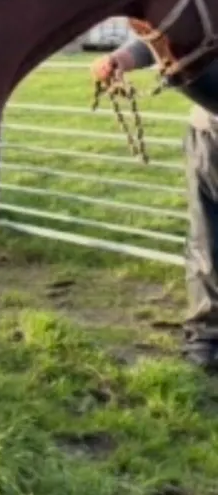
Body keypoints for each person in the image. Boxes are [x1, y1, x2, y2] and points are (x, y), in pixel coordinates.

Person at [92, 36, 218, 373]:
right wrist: (122, 58)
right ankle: (207, 337)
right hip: (210, 135)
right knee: (208, 240)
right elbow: (167, 36)